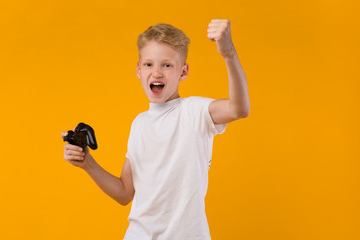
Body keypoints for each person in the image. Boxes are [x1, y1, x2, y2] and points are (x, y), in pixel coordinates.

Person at [61, 19, 250, 240]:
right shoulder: (139, 124)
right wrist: (87, 163)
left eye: (167, 65)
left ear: (183, 71)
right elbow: (124, 193)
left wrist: (228, 53)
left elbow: (239, 108)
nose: (157, 73)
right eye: (149, 64)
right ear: (139, 70)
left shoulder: (194, 111)